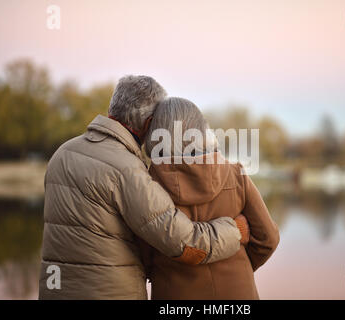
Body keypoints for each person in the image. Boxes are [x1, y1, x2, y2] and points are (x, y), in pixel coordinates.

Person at [38, 76, 249, 299]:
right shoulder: (126, 168)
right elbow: (185, 244)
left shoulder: (63, 153)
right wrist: (235, 231)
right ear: (150, 124)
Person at [140, 97, 280, 300]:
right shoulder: (236, 174)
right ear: (201, 130)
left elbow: (142, 255)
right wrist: (240, 265)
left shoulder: (147, 185)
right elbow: (268, 239)